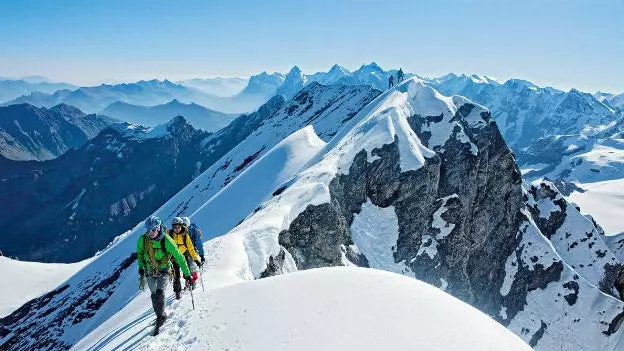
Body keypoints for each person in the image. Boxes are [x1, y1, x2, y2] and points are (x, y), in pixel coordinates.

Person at [137, 215, 192, 333]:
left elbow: (179, 257)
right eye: (148, 230)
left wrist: (187, 274)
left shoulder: (167, 240)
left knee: (159, 292)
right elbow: (140, 254)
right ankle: (159, 315)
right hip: (149, 270)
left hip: (164, 270)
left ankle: (161, 316)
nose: (150, 232)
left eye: (153, 230)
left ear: (158, 228)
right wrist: (141, 268)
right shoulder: (143, 240)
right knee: (153, 294)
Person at [169, 217, 202, 298]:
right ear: (172, 227)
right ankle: (178, 291)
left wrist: (196, 259)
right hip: (174, 258)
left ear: (181, 226)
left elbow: (190, 248)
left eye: (178, 227)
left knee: (186, 273)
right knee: (176, 275)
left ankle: (189, 283)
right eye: (175, 227)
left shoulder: (185, 235)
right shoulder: (169, 235)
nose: (176, 229)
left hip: (184, 256)